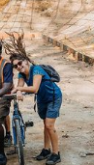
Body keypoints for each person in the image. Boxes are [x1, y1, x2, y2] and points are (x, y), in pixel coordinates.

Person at [5, 36, 62, 165]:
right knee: (46, 124)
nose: (19, 67)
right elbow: (20, 86)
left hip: (53, 97)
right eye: (16, 66)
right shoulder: (21, 74)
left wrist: (19, 89)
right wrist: (19, 91)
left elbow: (34, 88)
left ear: (26, 61)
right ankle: (46, 149)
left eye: (20, 63)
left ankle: (56, 153)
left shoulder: (36, 70)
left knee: (49, 125)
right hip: (42, 99)